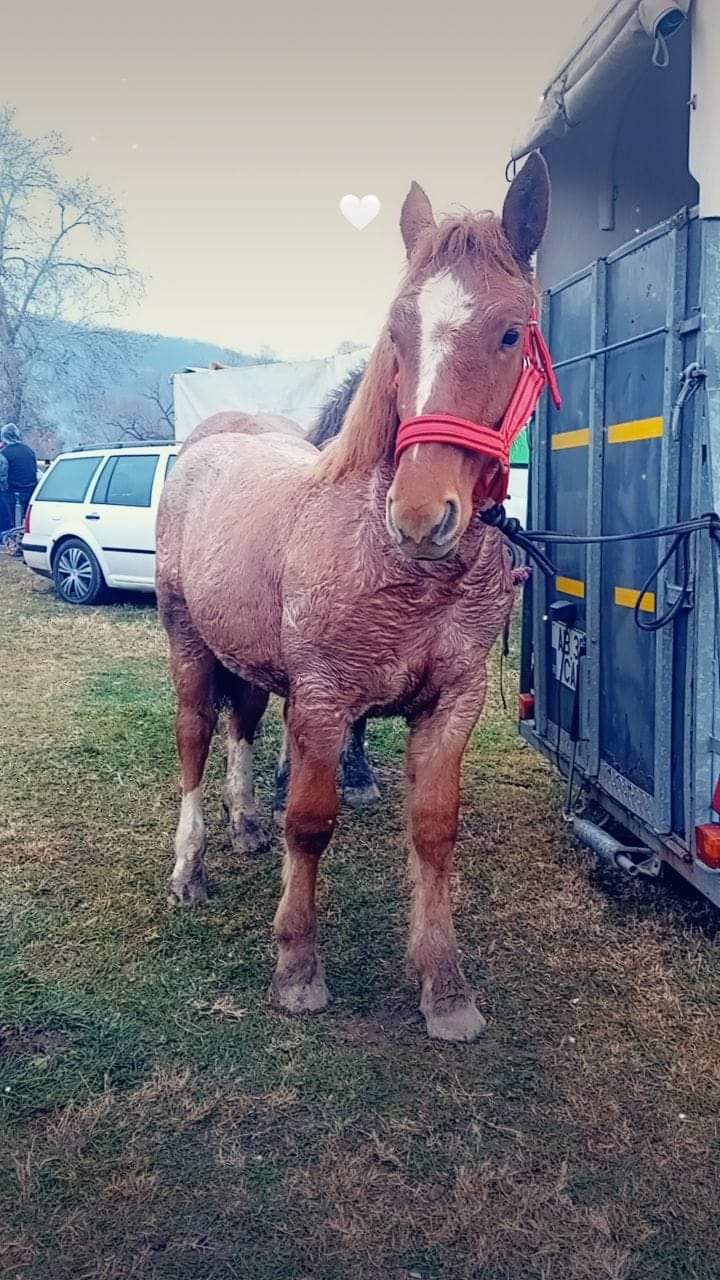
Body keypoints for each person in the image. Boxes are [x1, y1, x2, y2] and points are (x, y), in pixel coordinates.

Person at [1, 424, 37, 525]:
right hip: (29, 493)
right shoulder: (29, 450)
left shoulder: (4, 453)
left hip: (11, 495)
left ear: (4, 437)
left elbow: (2, 478)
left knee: (7, 522)